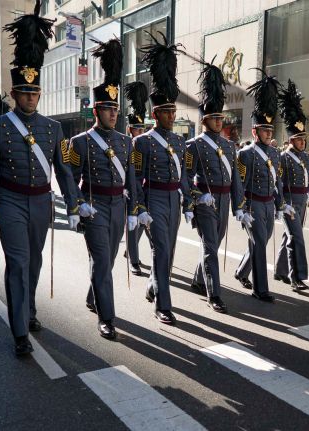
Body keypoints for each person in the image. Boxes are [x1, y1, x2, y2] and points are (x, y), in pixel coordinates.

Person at [0, 7, 81, 356]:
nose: (30, 98)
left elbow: (64, 170)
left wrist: (74, 205)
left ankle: (29, 309)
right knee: (18, 263)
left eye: (34, 93)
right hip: (11, 201)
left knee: (34, 261)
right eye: (24, 93)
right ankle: (20, 330)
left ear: (39, 94)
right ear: (15, 94)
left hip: (41, 203)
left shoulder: (54, 129)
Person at [70, 38, 139, 340]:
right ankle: (107, 317)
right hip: (94, 205)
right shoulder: (81, 142)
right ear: (96, 110)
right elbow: (70, 177)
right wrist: (76, 206)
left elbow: (133, 178)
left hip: (118, 208)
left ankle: (92, 296)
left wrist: (136, 208)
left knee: (108, 259)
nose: (114, 113)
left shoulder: (126, 142)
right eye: (108, 108)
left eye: (116, 108)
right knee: (101, 260)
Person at [132, 34, 193, 324]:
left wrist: (190, 202)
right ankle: (164, 305)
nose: (172, 116)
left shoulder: (180, 142)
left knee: (169, 250)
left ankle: (154, 285)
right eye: (167, 112)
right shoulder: (142, 142)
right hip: (154, 197)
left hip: (174, 200)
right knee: (161, 249)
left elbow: (184, 176)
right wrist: (138, 208)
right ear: (156, 113)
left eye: (173, 111)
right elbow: (136, 178)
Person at [186, 60, 246, 313]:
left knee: (214, 243)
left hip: (223, 201)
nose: (219, 122)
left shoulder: (230, 146)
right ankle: (214, 294)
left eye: (221, 117)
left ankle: (199, 279)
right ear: (205, 120)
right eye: (214, 118)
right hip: (206, 200)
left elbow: (236, 179)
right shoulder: (195, 145)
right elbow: (186, 178)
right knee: (211, 245)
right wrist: (197, 198)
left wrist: (239, 206)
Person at [233, 69, 285, 302]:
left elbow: (278, 181)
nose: (268, 133)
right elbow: (240, 182)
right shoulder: (245, 154)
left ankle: (241, 271)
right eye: (264, 130)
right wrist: (241, 208)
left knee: (260, 243)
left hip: (268, 205)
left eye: (270, 130)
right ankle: (260, 289)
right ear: (255, 131)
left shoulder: (275, 153)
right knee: (261, 245)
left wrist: (281, 205)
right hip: (253, 204)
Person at [273, 80, 309, 292]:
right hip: (290, 202)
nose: (302, 142)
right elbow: (278, 183)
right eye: (299, 139)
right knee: (296, 238)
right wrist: (281, 205)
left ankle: (280, 270)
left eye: (304, 139)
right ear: (291, 139)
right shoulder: (284, 157)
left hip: (303, 202)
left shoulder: (308, 158)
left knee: (288, 236)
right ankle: (296, 276)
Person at [123, 82, 149, 277]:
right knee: (134, 225)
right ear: (129, 129)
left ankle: (131, 250)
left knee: (143, 225)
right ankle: (134, 260)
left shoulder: (145, 145)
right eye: (136, 129)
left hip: (146, 188)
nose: (139, 133)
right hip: (130, 189)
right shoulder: (125, 145)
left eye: (142, 129)